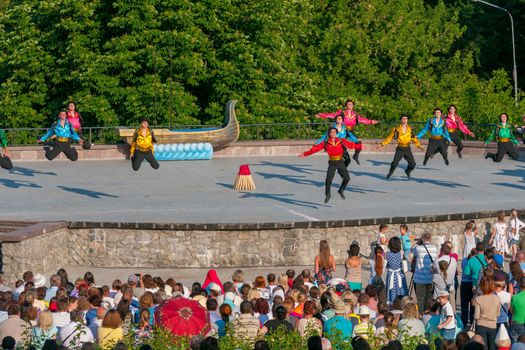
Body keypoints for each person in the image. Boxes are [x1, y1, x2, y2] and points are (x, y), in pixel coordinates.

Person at [299, 127, 357, 203]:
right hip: (332, 163)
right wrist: (305, 154)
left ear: (336, 133)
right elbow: (315, 149)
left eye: (334, 132)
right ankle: (328, 194)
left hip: (340, 162)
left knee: (347, 178)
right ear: (329, 134)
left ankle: (341, 190)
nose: (333, 133)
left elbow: (351, 145)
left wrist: (359, 147)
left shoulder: (341, 140)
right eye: (331, 132)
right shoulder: (325, 143)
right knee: (329, 180)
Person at [316, 99, 379, 165]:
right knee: (340, 145)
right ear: (346, 105)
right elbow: (332, 115)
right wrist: (322, 115)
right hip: (343, 130)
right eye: (348, 104)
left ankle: (355, 156)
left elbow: (362, 120)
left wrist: (371, 122)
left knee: (359, 143)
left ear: (353, 106)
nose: (350, 106)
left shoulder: (355, 114)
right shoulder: (342, 113)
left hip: (351, 131)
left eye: (351, 104)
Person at [378, 114, 424, 179]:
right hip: (400, 149)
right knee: (394, 163)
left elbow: (414, 138)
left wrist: (419, 145)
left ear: (407, 120)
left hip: (407, 149)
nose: (404, 120)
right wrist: (382, 144)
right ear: (401, 120)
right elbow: (390, 137)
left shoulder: (411, 129)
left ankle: (407, 171)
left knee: (413, 164)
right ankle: (390, 172)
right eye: (403, 118)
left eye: (406, 119)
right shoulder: (396, 129)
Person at [411, 232, 438, 313]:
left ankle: (420, 316)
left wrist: (417, 243)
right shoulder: (434, 248)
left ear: (422, 239)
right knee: (429, 300)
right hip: (430, 278)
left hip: (419, 278)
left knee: (420, 299)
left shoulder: (418, 248)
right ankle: (428, 315)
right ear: (430, 239)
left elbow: (411, 255)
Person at [474, 276, 500, 350]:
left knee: (482, 347)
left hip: (481, 324)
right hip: (492, 325)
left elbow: (476, 316)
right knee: (492, 346)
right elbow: (498, 314)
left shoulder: (478, 299)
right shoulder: (497, 298)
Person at [433, 243, 457, 311]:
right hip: (450, 287)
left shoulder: (437, 261)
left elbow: (433, 271)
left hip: (439, 289)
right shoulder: (453, 260)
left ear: (442, 251)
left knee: (438, 307)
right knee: (451, 306)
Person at [385, 237, 408, 305]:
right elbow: (405, 267)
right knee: (401, 288)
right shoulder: (401, 253)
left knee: (391, 289)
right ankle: (402, 303)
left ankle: (392, 305)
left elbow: (386, 265)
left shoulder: (387, 254)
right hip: (400, 274)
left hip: (391, 274)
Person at [510, 277, 525, 343]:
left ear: (519, 284)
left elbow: (511, 311)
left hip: (517, 323)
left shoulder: (514, 297)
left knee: (515, 343)